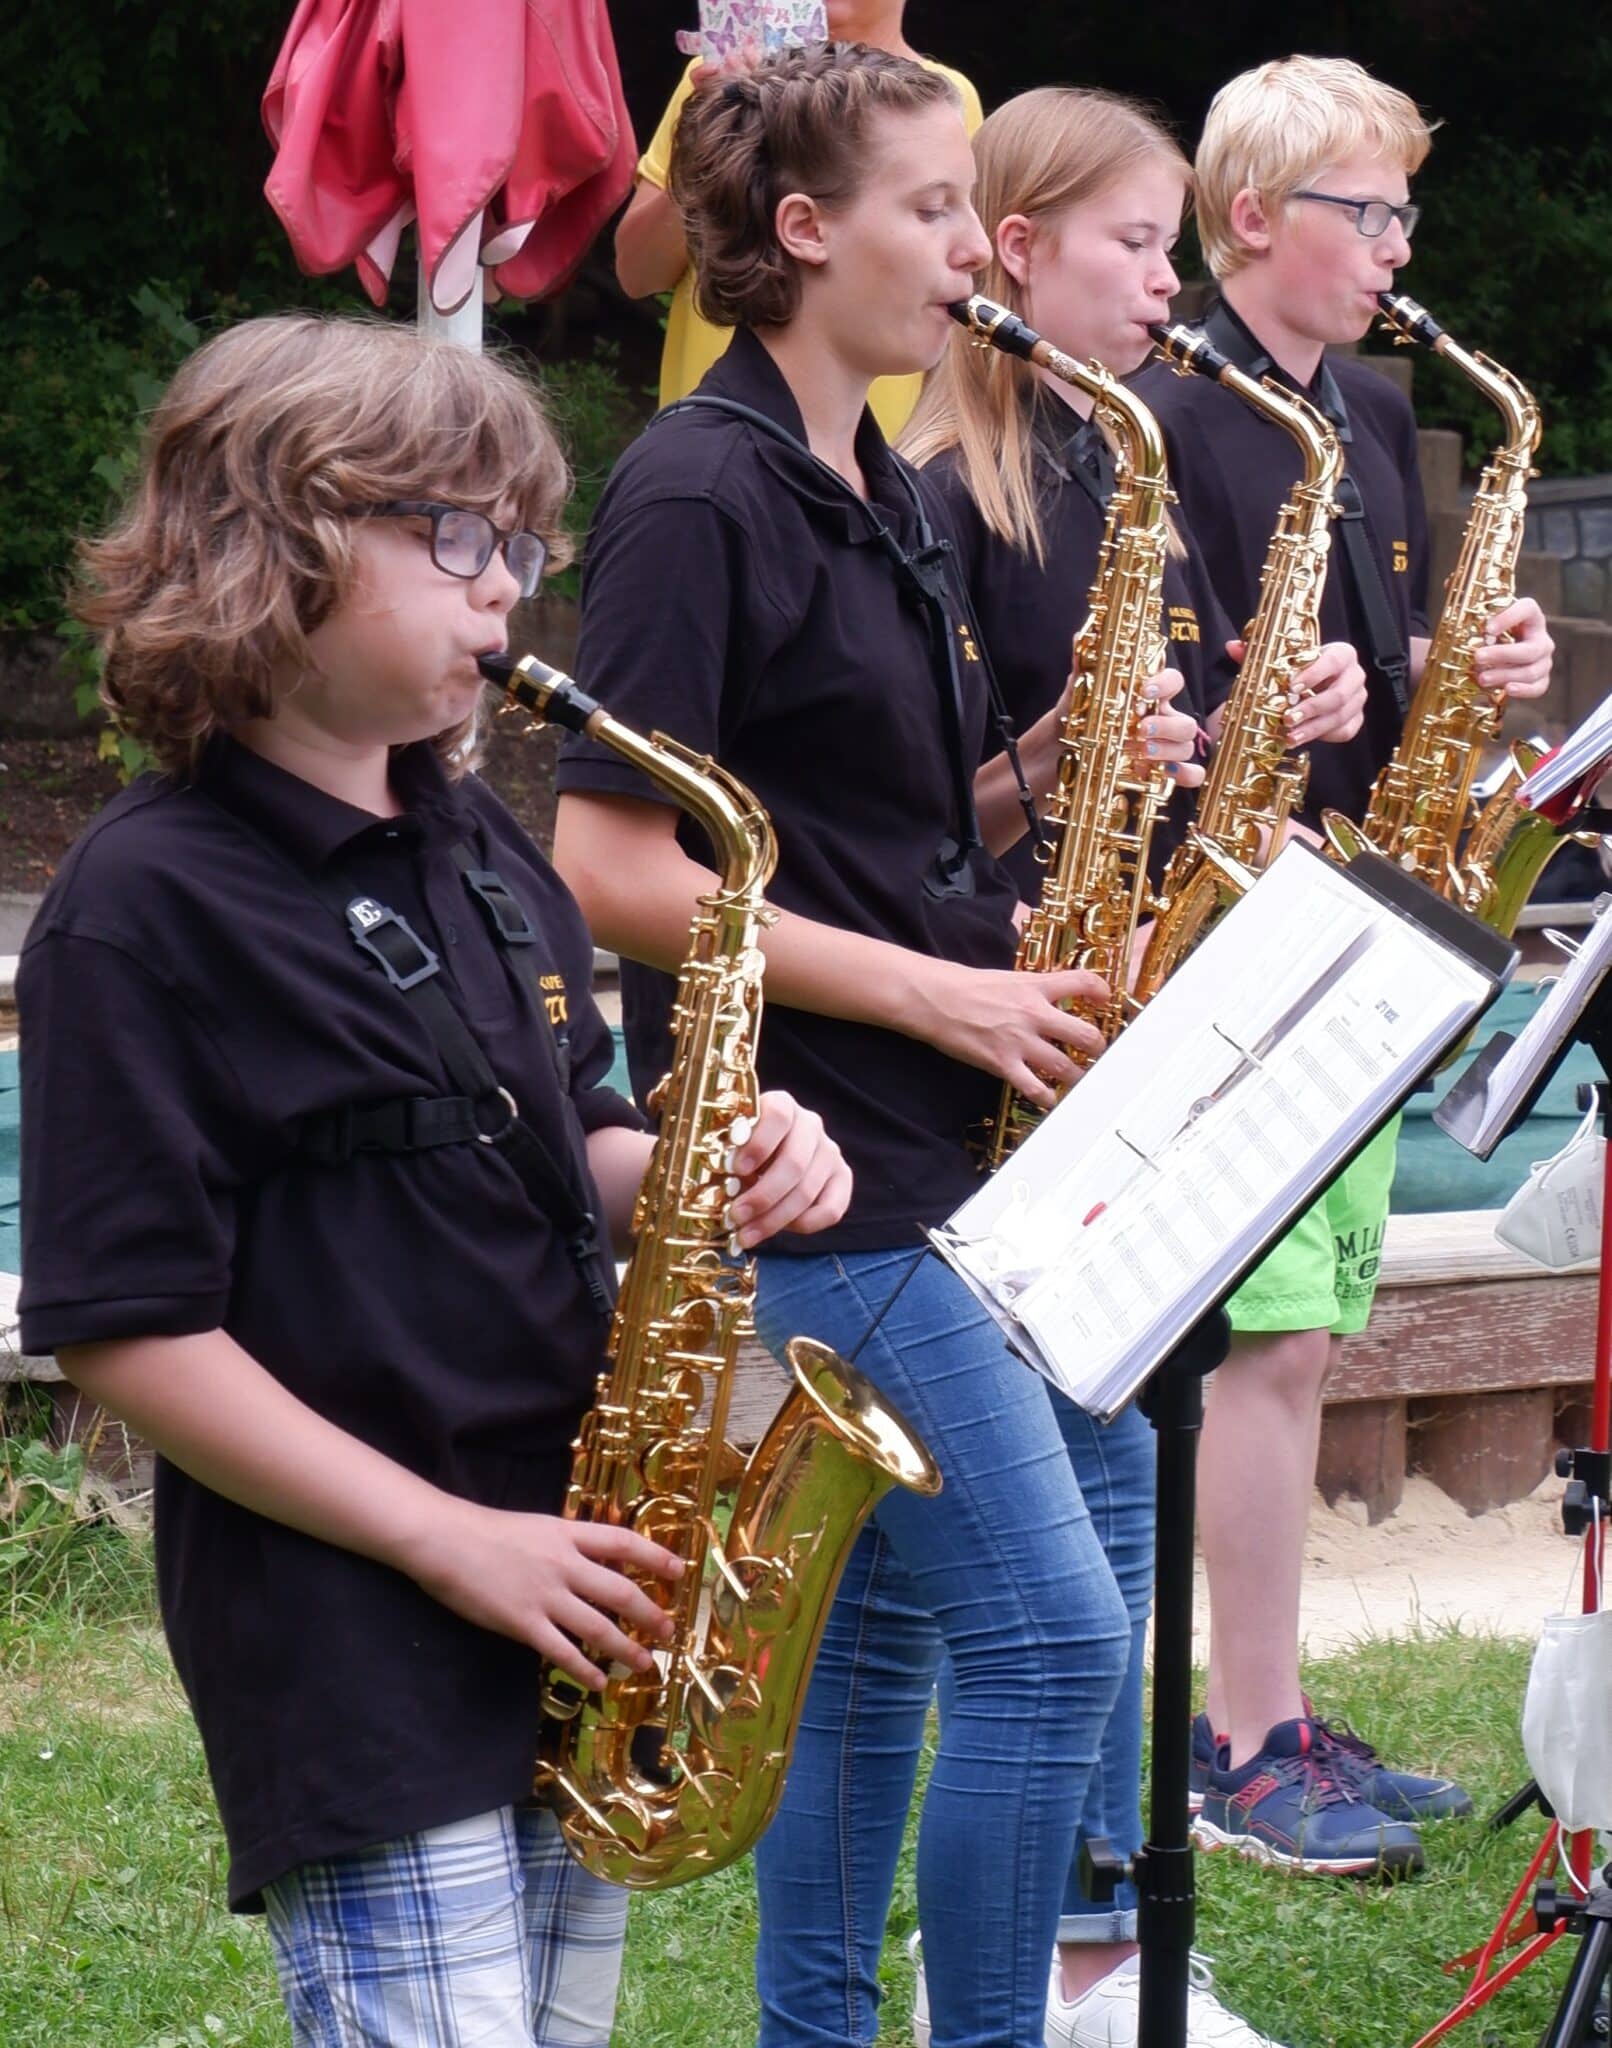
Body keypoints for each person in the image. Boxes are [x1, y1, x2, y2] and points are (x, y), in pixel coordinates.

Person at [16, 313, 851, 2048]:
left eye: (521, 542)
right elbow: (123, 1329)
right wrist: (450, 1542)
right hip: (358, 1612)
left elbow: (577, 1125)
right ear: (277, 542)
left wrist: (714, 1158)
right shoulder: (143, 905)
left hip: (566, 1565)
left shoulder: (476, 847)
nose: (508, 592)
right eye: (455, 537)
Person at [553, 43, 1206, 2048]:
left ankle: (822, 2034)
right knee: (1052, 1639)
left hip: (936, 1115)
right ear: (806, 230)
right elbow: (606, 863)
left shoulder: (877, 479)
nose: (963, 246)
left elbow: (852, 828)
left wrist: (1030, 817)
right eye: (930, 211)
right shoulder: (690, 487)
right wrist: (942, 992)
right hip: (821, 1146)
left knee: (879, 1648)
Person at [899, 81, 1372, 2048]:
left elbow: (1132, 752)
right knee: (1052, 1570)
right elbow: (912, 827)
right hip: (980, 1047)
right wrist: (1055, 766)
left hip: (1120, 1014)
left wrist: (1277, 710)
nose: (1162, 288)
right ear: (1012, 255)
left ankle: (1104, 1931)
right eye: (1132, 247)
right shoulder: (932, 488)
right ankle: (1032, 1959)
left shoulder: (1113, 465)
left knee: (1111, 1509)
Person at [1131, 54, 1554, 1878]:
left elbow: (1391, 672)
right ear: (1250, 220)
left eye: (1402, 213)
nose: (1396, 248)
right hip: (1218, 928)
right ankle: (1237, 1744)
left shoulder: (1370, 421)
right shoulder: (1153, 415)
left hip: (1357, 911)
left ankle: (1273, 1703)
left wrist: (1495, 659)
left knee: (1310, 1337)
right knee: (1270, 1342)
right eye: (1363, 214)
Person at [613, 1, 983, 436]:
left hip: (875, 454)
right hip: (710, 437)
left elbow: (956, 315)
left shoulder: (942, 102)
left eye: (930, 211)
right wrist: (710, 144)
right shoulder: (728, 70)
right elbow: (637, 272)